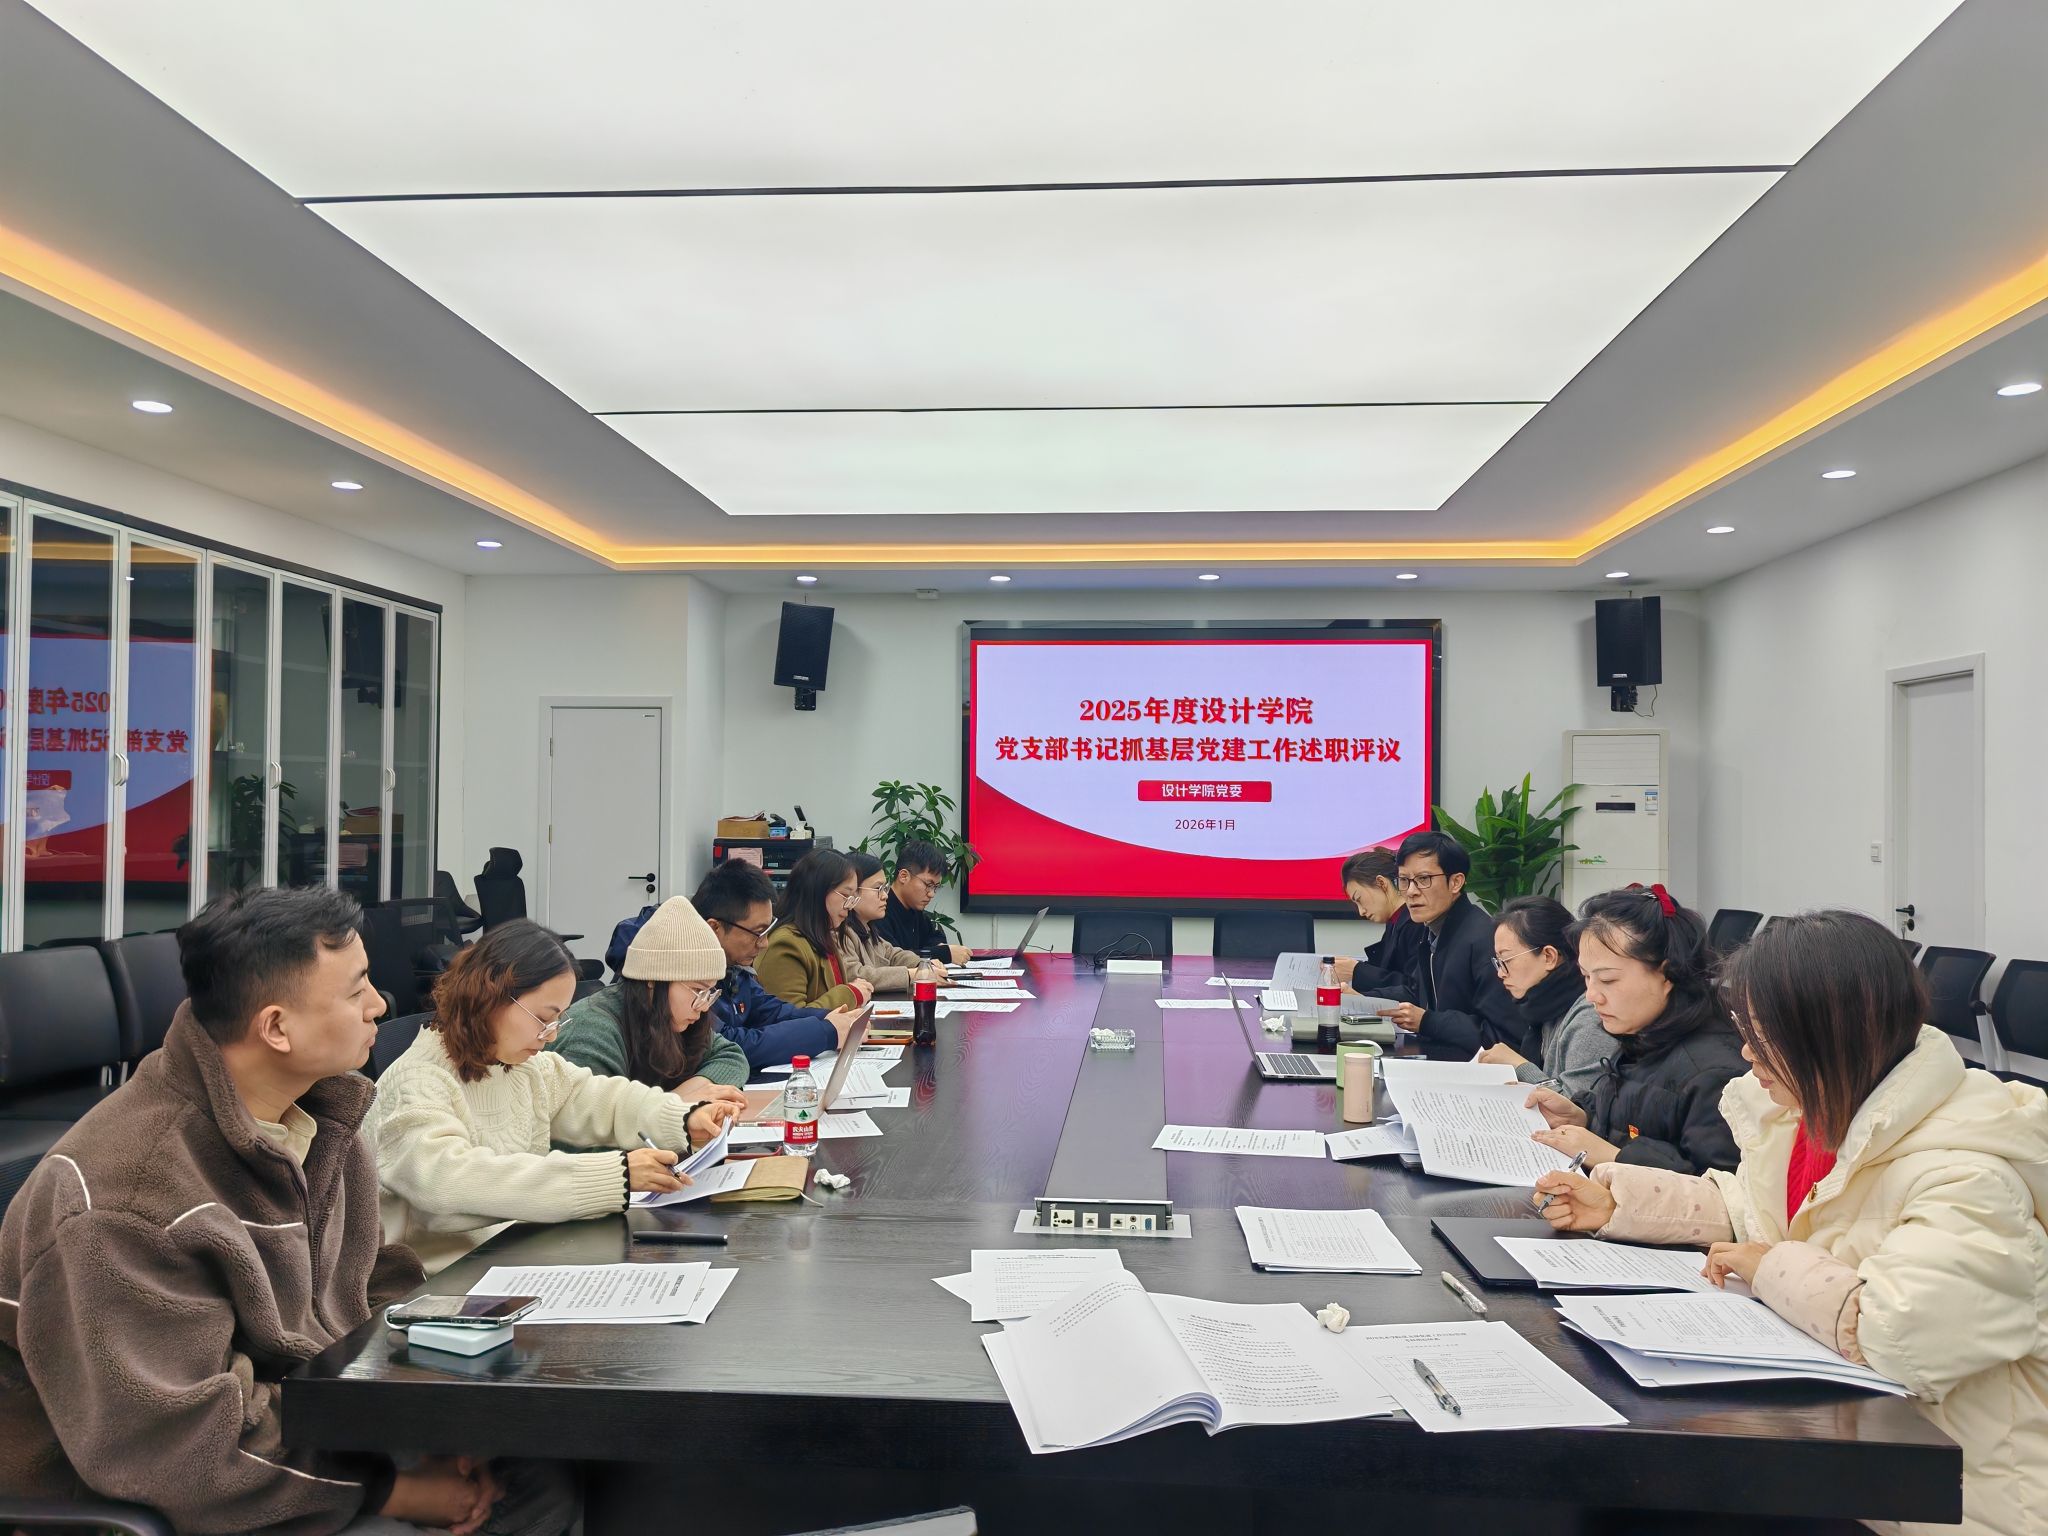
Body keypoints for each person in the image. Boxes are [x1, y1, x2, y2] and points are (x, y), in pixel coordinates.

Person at [0, 887, 576, 1535]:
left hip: (311, 1432)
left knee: (544, 1476)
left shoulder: (320, 1123)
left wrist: (444, 1422)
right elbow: (185, 1456)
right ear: (276, 1027)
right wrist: (397, 1489)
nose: (380, 1005)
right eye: (356, 990)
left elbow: (372, 1286)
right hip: (154, 1504)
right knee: (520, 1509)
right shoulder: (129, 1198)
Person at [1534, 910, 2048, 1536]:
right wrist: (1620, 1204)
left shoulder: (1968, 1174)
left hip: (1942, 1501)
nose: (1746, 1054)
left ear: (1829, 1035)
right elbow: (1752, 1209)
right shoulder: (1810, 1112)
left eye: (1762, 1035)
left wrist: (1771, 1267)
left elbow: (1901, 1338)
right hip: (1843, 1452)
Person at [367, 919, 739, 1275]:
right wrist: (616, 1176)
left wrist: (683, 1118)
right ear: (489, 996)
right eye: (543, 1018)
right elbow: (449, 1183)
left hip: (510, 1257)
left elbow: (601, 1098)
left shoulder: (523, 1066)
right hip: (441, 1282)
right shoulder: (418, 1081)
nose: (551, 1035)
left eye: (557, 1019)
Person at [1522, 884, 1745, 1175]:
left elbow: (1718, 1188)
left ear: (1667, 974)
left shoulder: (1715, 1073)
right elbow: (1633, 1120)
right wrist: (1582, 1118)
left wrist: (1614, 1157)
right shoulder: (1644, 1035)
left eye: (1608, 980)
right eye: (1586, 977)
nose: (1592, 995)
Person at [549, 896, 753, 1091]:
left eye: (709, 992)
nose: (704, 1006)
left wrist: (694, 1090)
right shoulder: (592, 1032)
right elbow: (598, 1113)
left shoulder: (671, 1019)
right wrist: (672, 1104)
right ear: (653, 981)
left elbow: (731, 1056)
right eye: (698, 991)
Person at [692, 858, 862, 1073]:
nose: (765, 943)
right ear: (714, 928)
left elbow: (772, 1011)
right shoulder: (687, 978)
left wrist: (832, 1018)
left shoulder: (734, 969)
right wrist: (826, 1032)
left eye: (767, 930)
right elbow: (729, 1042)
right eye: (758, 932)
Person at [1373, 830, 1528, 1058]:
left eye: (1423, 879)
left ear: (1456, 882)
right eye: (1404, 881)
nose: (1411, 892)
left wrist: (1428, 1022)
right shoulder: (1432, 929)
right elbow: (1416, 992)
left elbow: (1502, 1037)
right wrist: (1362, 998)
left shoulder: (1484, 939)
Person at [1476, 895, 1607, 1101]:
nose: (1500, 973)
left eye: (1506, 960)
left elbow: (1576, 1108)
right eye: (1498, 962)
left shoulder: (1590, 1014)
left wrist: (1519, 1066)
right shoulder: (1545, 1006)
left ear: (1549, 956)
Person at [756, 849, 879, 1011]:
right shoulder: (785, 944)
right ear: (817, 891)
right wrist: (850, 993)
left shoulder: (822, 935)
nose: (850, 906)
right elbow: (790, 1019)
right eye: (845, 895)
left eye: (853, 898)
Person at [841, 850, 947, 994]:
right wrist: (912, 974)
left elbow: (893, 954)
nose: (885, 895)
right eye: (878, 888)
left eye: (884, 888)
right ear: (851, 891)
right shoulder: (840, 932)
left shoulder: (867, 927)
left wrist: (922, 964)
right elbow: (856, 975)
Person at [1330, 846, 1419, 1001]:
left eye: (1359, 899)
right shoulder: (1394, 922)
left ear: (1381, 883)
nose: (1361, 912)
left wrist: (1356, 971)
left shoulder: (1416, 923)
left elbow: (1414, 989)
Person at [874, 838, 972, 964]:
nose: (931, 894)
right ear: (904, 876)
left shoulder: (913, 909)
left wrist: (939, 947)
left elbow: (935, 937)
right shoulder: (879, 910)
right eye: (928, 885)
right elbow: (892, 959)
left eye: (935, 887)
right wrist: (943, 953)